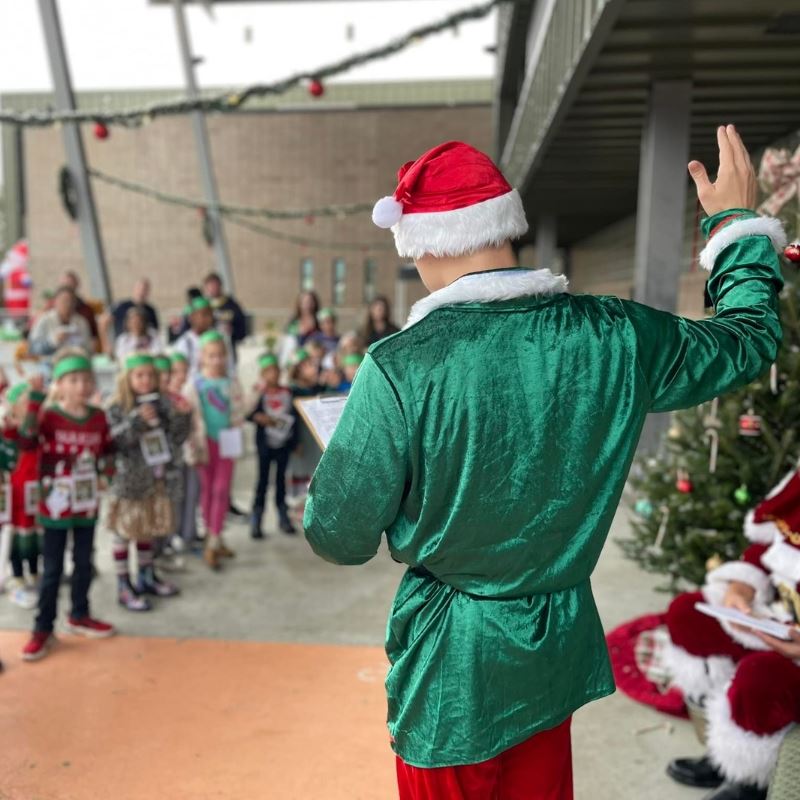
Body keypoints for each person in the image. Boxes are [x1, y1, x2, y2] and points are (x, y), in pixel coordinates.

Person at [302, 131, 787, 798]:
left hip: (453, 669)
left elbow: (338, 534)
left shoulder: (401, 366)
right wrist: (736, 227)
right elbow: (747, 338)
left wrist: (366, 469)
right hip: (551, 651)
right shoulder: (613, 335)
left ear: (419, 240)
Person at [663, 468, 800, 800]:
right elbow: (765, 553)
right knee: (688, 616)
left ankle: (750, 778)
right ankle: (722, 749)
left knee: (761, 677)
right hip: (780, 618)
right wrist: (740, 591)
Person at [20, 350, 116, 662]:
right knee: (52, 569)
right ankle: (42, 627)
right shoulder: (49, 417)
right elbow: (26, 440)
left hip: (87, 504)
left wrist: (106, 474)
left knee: (84, 561)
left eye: (87, 379)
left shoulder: (98, 417)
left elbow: (109, 450)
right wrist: (34, 401)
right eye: (73, 380)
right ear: (58, 385)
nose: (82, 385)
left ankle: (79, 613)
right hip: (55, 505)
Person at [104, 353, 190, 611]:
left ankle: (146, 576)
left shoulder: (164, 404)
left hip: (156, 479)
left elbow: (176, 439)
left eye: (150, 375)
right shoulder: (117, 407)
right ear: (127, 378)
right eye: (139, 375)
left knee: (147, 531)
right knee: (124, 532)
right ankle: (123, 584)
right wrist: (137, 421)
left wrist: (182, 416)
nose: (146, 380)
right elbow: (113, 442)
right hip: (130, 482)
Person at [182, 331, 244, 570]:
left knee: (221, 490)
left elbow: (239, 409)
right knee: (207, 491)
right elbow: (189, 417)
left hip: (227, 442)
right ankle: (213, 537)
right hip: (203, 445)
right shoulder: (195, 385)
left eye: (220, 355)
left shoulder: (231, 382)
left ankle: (214, 538)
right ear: (202, 357)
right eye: (211, 356)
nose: (216, 360)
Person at [248, 353, 296, 538]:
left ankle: (283, 516)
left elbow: (296, 417)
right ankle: (257, 518)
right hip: (265, 445)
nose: (272, 375)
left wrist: (295, 442)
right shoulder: (259, 393)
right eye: (267, 371)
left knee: (281, 481)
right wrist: (256, 417)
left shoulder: (287, 393)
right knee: (262, 481)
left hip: (283, 445)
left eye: (275, 370)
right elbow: (246, 411)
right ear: (262, 374)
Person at [2, 382, 41, 609]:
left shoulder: (38, 430)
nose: (33, 408)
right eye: (28, 403)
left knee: (35, 537)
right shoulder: (12, 431)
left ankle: (35, 574)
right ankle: (17, 578)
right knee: (19, 536)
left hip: (36, 494)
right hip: (16, 495)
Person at [168, 352, 204, 549]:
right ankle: (171, 534)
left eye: (184, 370)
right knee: (175, 494)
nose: (180, 375)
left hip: (192, 450)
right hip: (173, 454)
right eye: (175, 371)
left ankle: (189, 532)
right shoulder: (165, 397)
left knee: (192, 492)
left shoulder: (191, 392)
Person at [174, 297, 233, 379]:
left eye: (210, 314)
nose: (208, 318)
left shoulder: (220, 339)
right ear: (192, 317)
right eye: (203, 314)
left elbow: (230, 366)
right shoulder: (185, 342)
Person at [28, 286, 93, 357]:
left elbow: (88, 349)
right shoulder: (45, 320)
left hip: (76, 362)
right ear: (55, 302)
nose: (68, 304)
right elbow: (33, 348)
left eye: (71, 301)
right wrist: (53, 341)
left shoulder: (81, 322)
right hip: (49, 363)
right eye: (64, 300)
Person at [202, 272, 247, 359]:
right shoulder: (202, 306)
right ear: (206, 288)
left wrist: (233, 330)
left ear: (220, 286)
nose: (213, 288)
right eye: (210, 286)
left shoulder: (231, 305)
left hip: (227, 348)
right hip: (207, 348)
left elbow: (242, 326)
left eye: (215, 285)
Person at [59, 271, 99, 350]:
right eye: (65, 285)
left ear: (77, 285)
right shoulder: (48, 311)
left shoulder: (86, 311)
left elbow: (94, 335)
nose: (68, 288)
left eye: (71, 285)